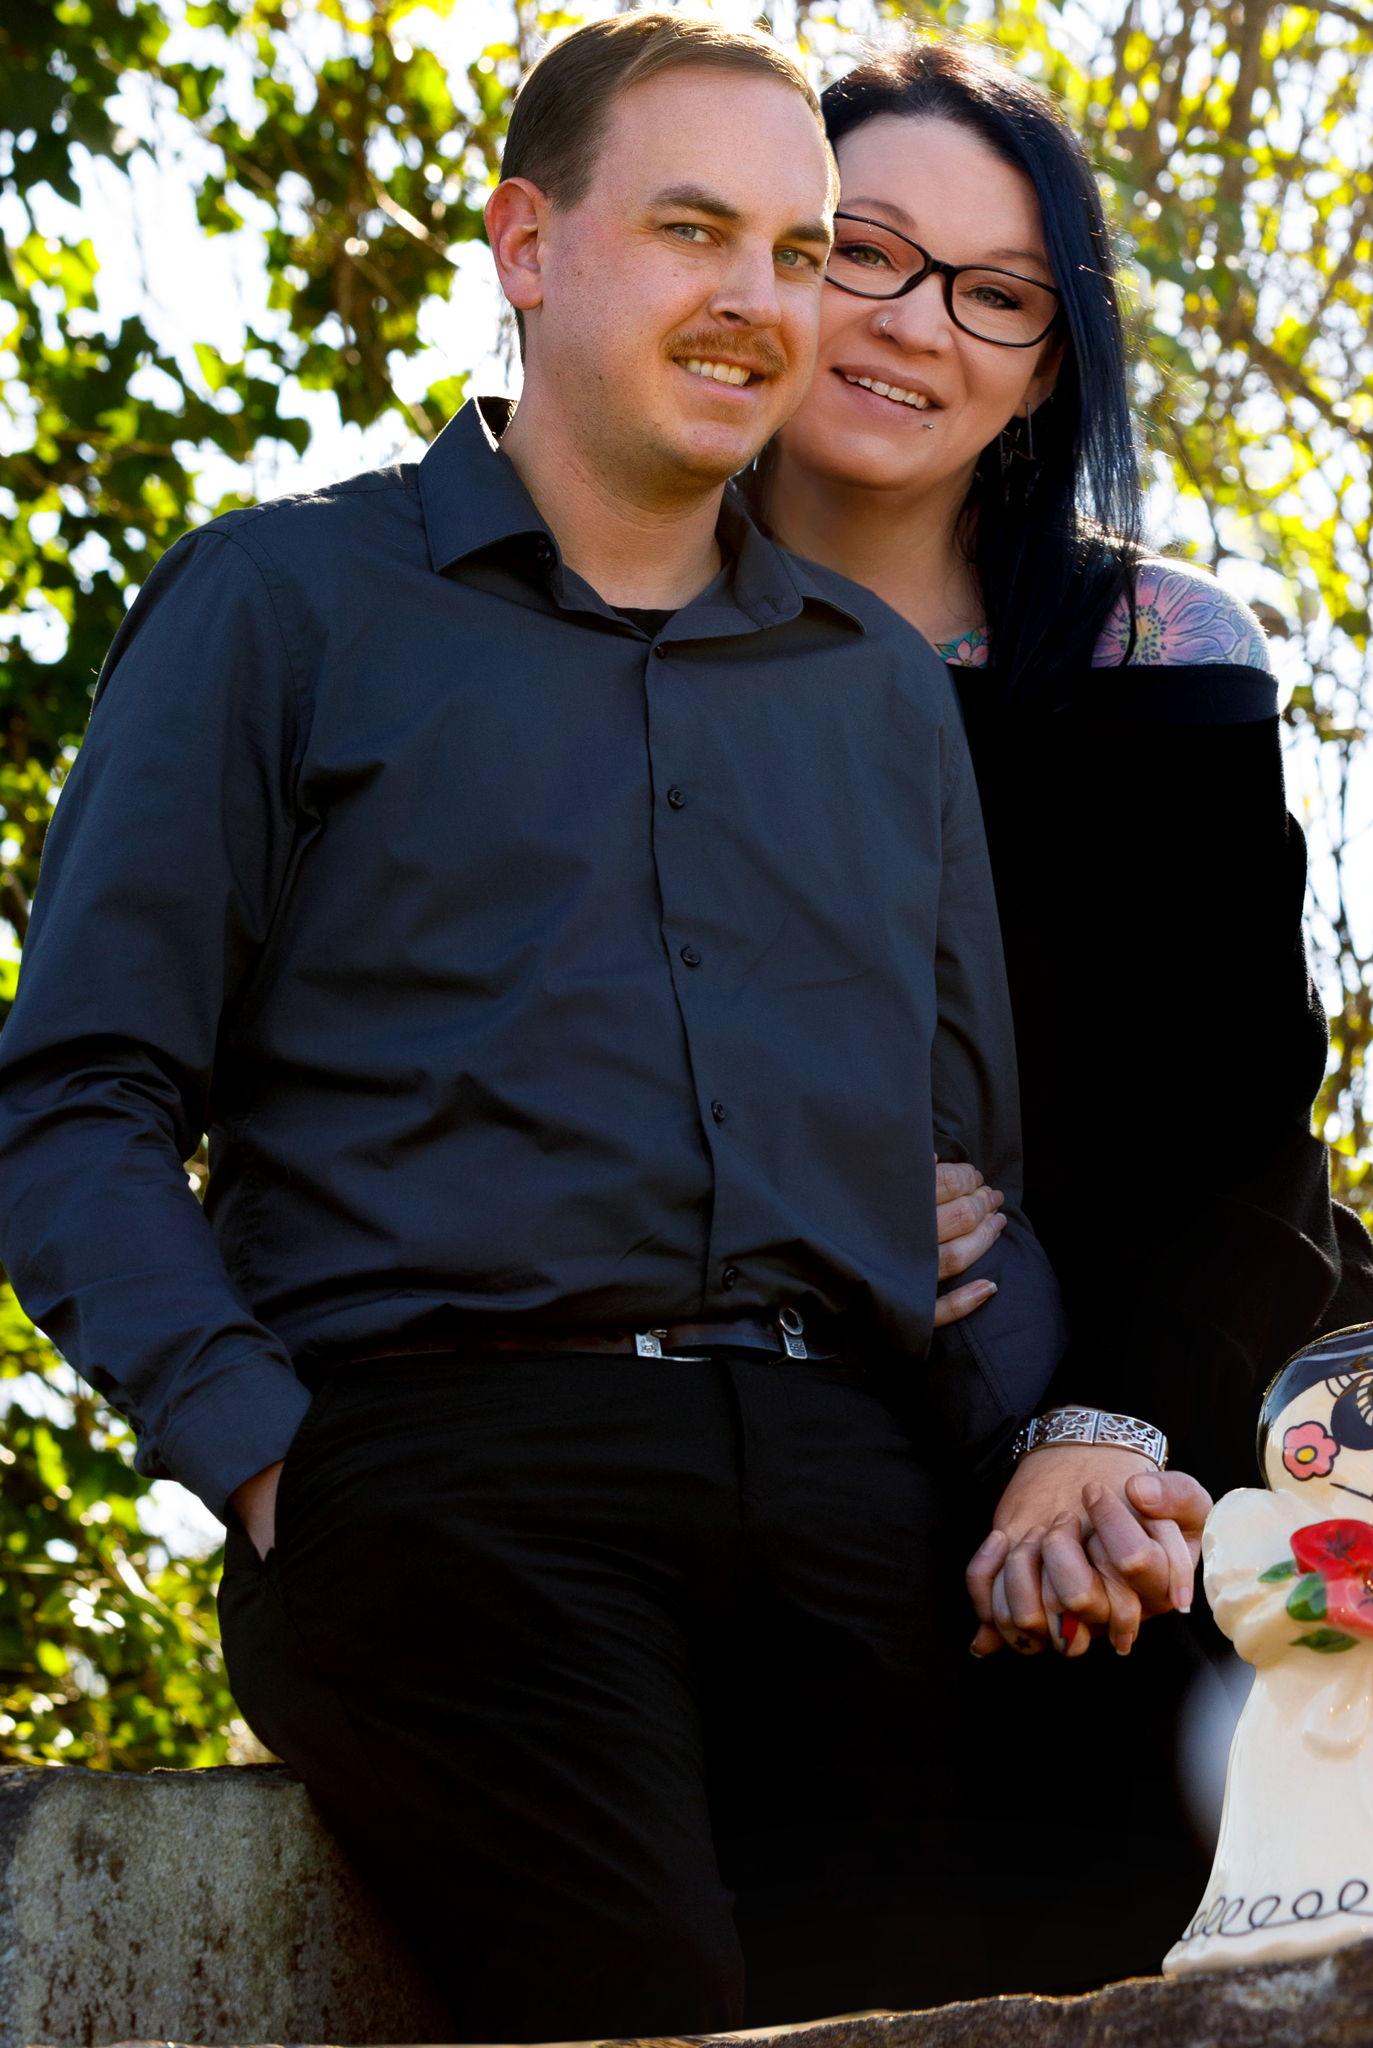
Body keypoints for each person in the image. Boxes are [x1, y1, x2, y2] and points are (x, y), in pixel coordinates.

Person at [0, 14, 1190, 2037]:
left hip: (847, 1489)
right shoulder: (283, 607)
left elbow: (956, 1178)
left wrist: (1061, 1454)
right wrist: (268, 1460)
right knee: (654, 2005)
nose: (757, 301)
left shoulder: (872, 690)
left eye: (799, 252)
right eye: (692, 231)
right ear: (529, 245)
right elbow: (76, 1098)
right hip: (446, 1478)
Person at [750, 37, 1373, 1986]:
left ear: (1047, 364)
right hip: (781, 1388)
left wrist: (1098, 1433)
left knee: (1119, 1711)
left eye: (996, 293)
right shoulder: (611, 653)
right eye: (865, 252)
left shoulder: (1161, 656)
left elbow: (1232, 1115)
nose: (912, 325)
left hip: (1162, 1372)